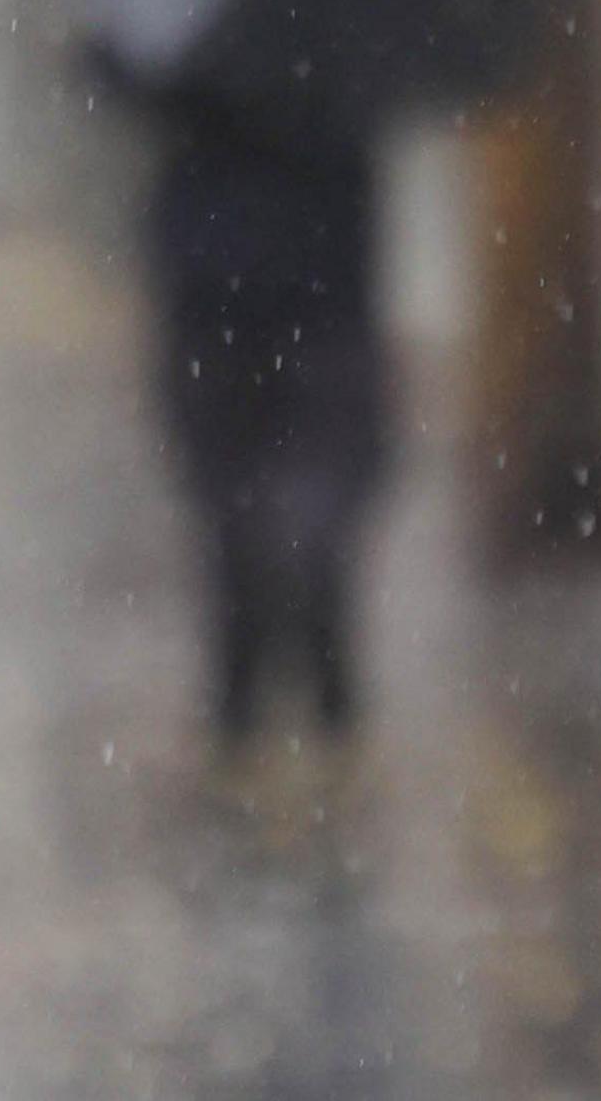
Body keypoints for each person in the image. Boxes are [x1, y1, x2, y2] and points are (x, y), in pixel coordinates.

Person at [141, 89, 388, 750]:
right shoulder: (349, 19)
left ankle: (252, 695)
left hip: (235, 277)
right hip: (308, 279)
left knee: (244, 502)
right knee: (294, 501)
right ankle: (311, 692)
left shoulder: (184, 20)